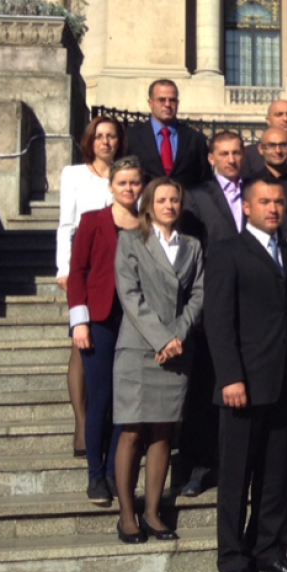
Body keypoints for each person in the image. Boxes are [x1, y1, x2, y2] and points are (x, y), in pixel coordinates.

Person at [204, 178, 287, 572]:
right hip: (244, 383)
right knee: (236, 477)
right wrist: (230, 376)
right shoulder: (226, 252)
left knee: (275, 475)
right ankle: (233, 558)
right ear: (247, 207)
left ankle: (268, 551)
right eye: (264, 202)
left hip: (286, 382)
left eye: (278, 202)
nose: (273, 208)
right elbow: (219, 321)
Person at [112, 177, 205, 543]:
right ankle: (127, 514)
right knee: (133, 430)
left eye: (174, 200)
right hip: (140, 348)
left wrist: (177, 335)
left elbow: (198, 295)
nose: (169, 205)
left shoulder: (192, 246)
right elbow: (129, 295)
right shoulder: (130, 241)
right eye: (162, 200)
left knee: (164, 431)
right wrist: (162, 338)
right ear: (148, 205)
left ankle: (152, 511)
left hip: (176, 351)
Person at [66, 155, 142, 506]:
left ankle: (114, 469)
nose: (129, 188)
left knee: (125, 399)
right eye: (122, 182)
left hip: (135, 321)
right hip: (99, 318)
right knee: (100, 397)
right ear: (111, 186)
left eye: (135, 182)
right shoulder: (93, 221)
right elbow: (77, 271)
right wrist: (79, 320)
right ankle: (95, 475)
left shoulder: (147, 224)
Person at [178, 131, 247, 499]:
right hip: (210, 302)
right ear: (211, 158)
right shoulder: (196, 196)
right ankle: (199, 465)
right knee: (205, 387)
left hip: (249, 303)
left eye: (237, 152)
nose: (231, 159)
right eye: (224, 153)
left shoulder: (255, 192)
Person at [56, 115, 127, 460]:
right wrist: (63, 268)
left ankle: (106, 421)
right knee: (80, 347)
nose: (105, 142)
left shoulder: (125, 175)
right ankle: (82, 423)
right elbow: (65, 224)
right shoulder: (74, 174)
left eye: (111, 136)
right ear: (90, 140)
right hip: (83, 269)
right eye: (99, 136)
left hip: (118, 271)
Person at [125, 79, 211, 188]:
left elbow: (205, 180)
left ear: (177, 103)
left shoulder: (195, 139)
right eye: (161, 100)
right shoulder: (132, 136)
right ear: (150, 103)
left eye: (172, 100)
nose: (167, 104)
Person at [246, 128, 287, 232]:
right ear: (261, 149)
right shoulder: (249, 183)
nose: (278, 151)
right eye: (271, 145)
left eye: (283, 145)